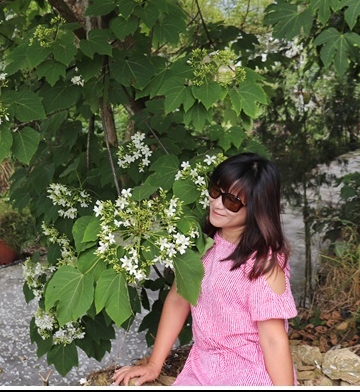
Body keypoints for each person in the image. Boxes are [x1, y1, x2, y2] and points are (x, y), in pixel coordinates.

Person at [112, 152, 298, 386]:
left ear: (257, 207)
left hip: (249, 371)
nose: (217, 204)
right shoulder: (202, 245)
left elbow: (273, 340)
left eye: (231, 201)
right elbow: (178, 299)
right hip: (202, 366)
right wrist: (153, 364)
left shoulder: (263, 263)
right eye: (215, 191)